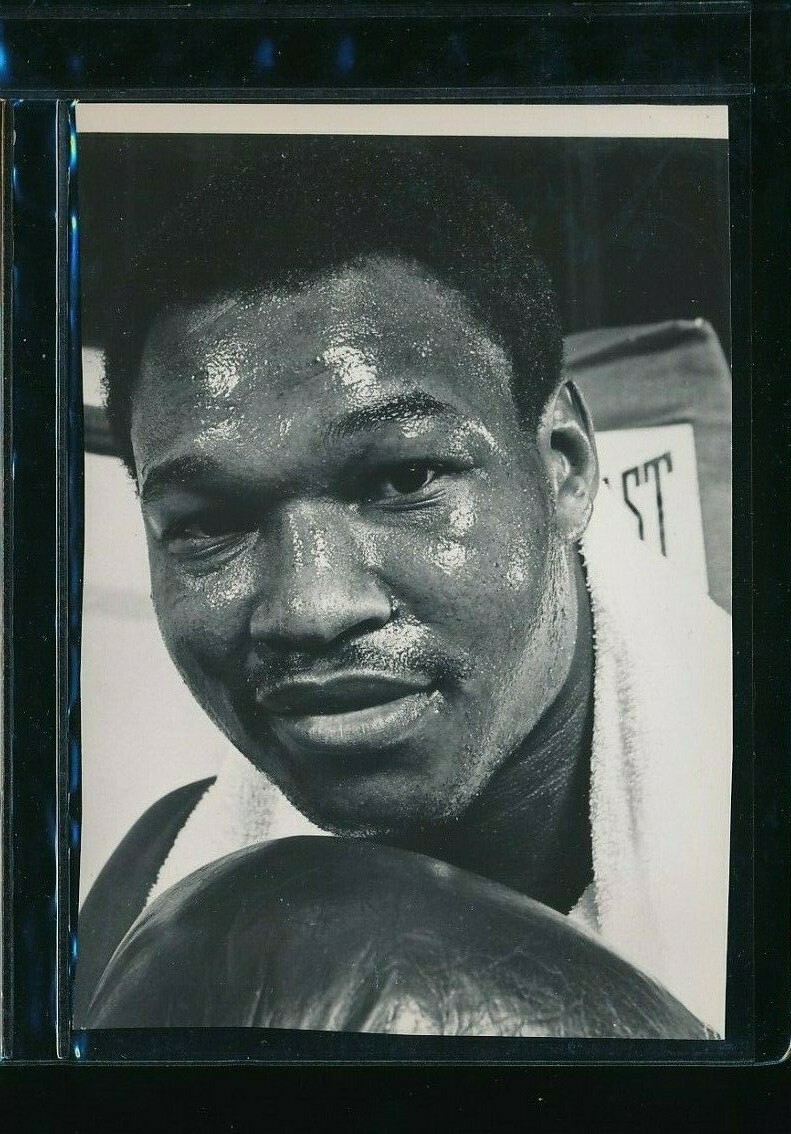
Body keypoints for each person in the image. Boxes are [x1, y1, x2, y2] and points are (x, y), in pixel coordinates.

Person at [76, 138, 731, 1037]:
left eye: (402, 479)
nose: (309, 608)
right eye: (208, 522)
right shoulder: (146, 893)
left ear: (565, 470)